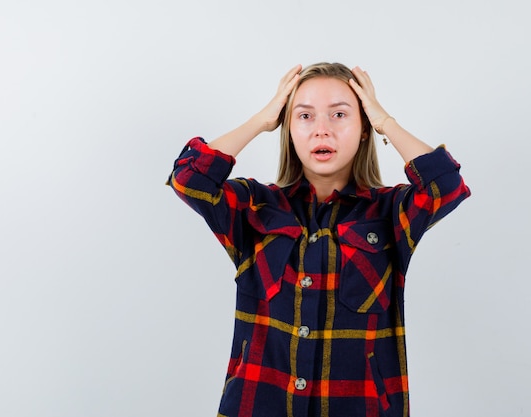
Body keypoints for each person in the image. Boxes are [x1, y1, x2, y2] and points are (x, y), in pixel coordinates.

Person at [167, 62, 470, 417]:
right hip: (257, 404)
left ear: (362, 128)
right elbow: (188, 178)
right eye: (305, 116)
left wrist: (384, 121)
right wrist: (262, 120)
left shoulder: (390, 212)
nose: (322, 130)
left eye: (339, 114)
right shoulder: (255, 207)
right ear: (288, 129)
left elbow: (446, 187)